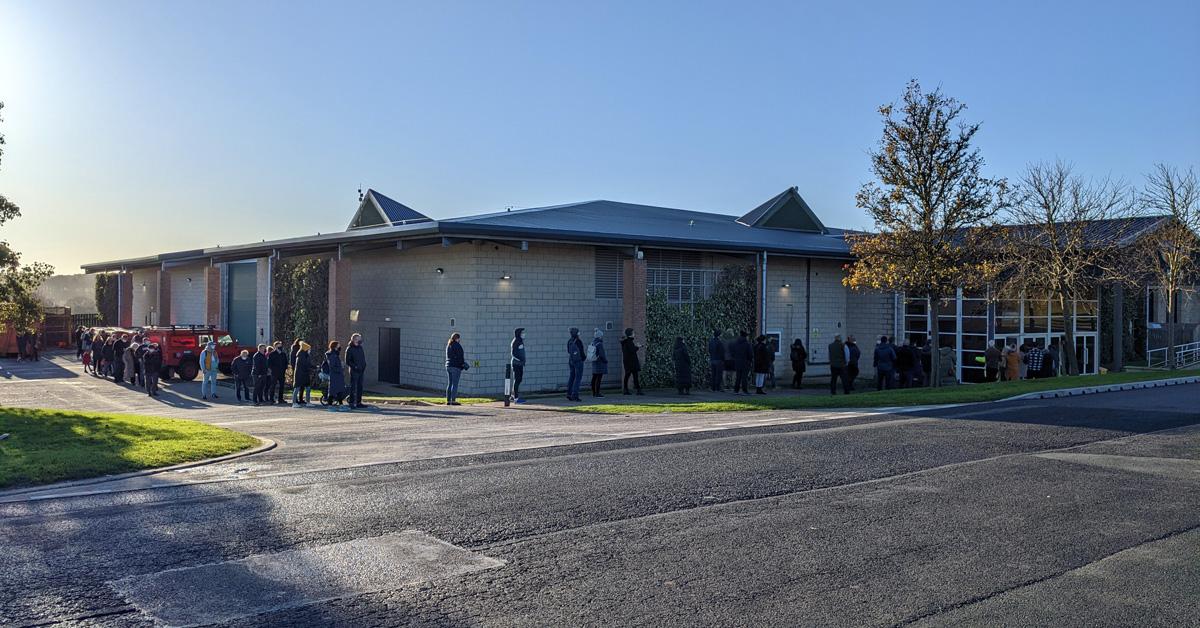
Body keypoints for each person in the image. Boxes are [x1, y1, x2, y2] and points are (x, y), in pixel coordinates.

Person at [322, 341, 348, 409]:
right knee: (333, 391)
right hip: (335, 375)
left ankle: (341, 404)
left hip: (337, 375)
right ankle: (330, 404)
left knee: (339, 390)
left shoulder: (335, 354)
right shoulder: (332, 355)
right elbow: (332, 366)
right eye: (338, 345)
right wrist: (340, 369)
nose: (339, 347)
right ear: (335, 346)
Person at [445, 332, 468, 405]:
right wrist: (463, 365)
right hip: (455, 367)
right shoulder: (458, 346)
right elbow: (460, 358)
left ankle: (448, 400)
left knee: (450, 383)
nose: (460, 340)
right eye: (459, 338)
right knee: (455, 384)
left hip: (448, 366)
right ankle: (453, 400)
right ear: (457, 338)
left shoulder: (448, 345)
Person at [345, 333, 367, 409]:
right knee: (353, 387)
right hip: (354, 371)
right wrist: (355, 366)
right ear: (354, 339)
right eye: (359, 339)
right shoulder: (350, 349)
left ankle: (358, 402)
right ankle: (351, 402)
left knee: (360, 387)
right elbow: (347, 361)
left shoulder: (360, 348)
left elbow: (362, 358)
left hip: (361, 370)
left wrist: (364, 365)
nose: (360, 340)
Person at [620, 328, 644, 395]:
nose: (634, 334)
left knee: (627, 375)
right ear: (631, 334)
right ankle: (638, 390)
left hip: (626, 361)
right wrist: (637, 347)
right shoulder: (629, 342)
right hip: (632, 361)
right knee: (635, 376)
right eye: (633, 333)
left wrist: (635, 346)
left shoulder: (624, 342)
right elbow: (632, 350)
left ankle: (625, 389)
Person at [730, 331, 753, 395]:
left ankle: (736, 390)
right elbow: (750, 354)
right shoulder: (747, 344)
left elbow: (733, 353)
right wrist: (749, 360)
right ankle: (745, 390)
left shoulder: (736, 343)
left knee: (738, 377)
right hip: (745, 363)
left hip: (737, 362)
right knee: (744, 377)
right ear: (746, 336)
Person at [566, 327, 585, 402]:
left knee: (572, 377)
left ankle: (569, 393)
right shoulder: (578, 341)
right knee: (578, 378)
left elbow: (568, 351)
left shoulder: (569, 341)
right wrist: (583, 358)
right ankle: (575, 394)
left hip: (571, 360)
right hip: (578, 361)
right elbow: (581, 351)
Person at [292, 341, 312, 407]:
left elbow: (308, 364)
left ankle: (308, 402)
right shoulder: (301, 355)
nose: (310, 350)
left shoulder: (305, 355)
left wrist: (314, 367)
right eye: (309, 349)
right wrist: (312, 367)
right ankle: (294, 403)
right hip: (300, 374)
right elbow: (305, 364)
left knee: (308, 388)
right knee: (297, 388)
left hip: (305, 374)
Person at [510, 328, 526, 403]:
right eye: (522, 332)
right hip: (517, 364)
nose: (524, 334)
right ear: (518, 333)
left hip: (520, 364)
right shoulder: (516, 341)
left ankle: (513, 396)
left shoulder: (520, 341)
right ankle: (516, 398)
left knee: (518, 380)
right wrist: (520, 360)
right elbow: (513, 354)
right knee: (517, 379)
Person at [589, 330, 607, 397]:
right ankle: (597, 392)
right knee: (599, 378)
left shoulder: (593, 343)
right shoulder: (599, 344)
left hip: (594, 362)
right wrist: (605, 361)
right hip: (600, 363)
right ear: (600, 336)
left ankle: (593, 392)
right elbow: (602, 354)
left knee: (594, 377)